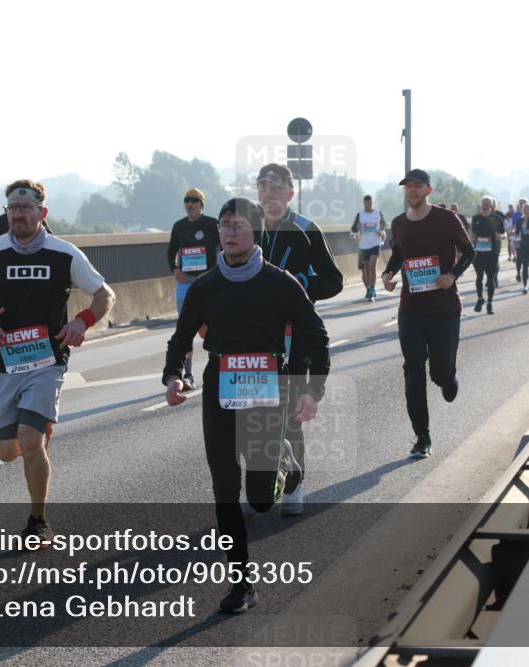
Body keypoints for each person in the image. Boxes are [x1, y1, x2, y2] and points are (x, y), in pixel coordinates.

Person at [163, 197, 329, 613]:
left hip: (267, 388)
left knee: (258, 499)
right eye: (224, 225)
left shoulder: (280, 283)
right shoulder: (206, 286)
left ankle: (284, 463)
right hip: (220, 385)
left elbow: (317, 337)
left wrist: (312, 390)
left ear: (255, 232)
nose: (230, 232)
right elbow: (180, 338)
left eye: (238, 225)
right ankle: (242, 584)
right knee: (223, 488)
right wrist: (173, 375)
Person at [0, 179, 116, 544]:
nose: (17, 214)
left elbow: (104, 294)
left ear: (41, 213)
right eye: (12, 208)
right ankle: (37, 432)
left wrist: (82, 321)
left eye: (25, 208)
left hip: (48, 360)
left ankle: (37, 521)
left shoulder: (64, 253)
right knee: (5, 452)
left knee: (30, 439)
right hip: (5, 362)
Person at [255, 163, 343, 516]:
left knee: (290, 416)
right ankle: (264, 479)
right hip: (255, 337)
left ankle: (293, 485)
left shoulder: (306, 230)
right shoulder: (247, 228)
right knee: (251, 414)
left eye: (275, 188)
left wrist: (305, 284)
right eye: (262, 187)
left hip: (296, 339)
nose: (268, 194)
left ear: (290, 193)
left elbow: (334, 280)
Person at [382, 169, 474, 459]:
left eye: (417, 186)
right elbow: (399, 253)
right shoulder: (398, 223)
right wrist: (387, 273)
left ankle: (448, 377)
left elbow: (469, 251)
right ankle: (422, 437)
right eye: (407, 187)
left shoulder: (447, 219)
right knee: (413, 370)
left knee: (439, 372)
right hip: (411, 309)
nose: (411, 191)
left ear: (428, 190)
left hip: (445, 308)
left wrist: (452, 275)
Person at [166, 188, 220, 388]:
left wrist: (216, 271)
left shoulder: (212, 224)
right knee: (185, 328)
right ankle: (187, 374)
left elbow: (223, 250)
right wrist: (174, 269)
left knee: (211, 328)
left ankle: (218, 366)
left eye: (194, 201)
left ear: (201, 204)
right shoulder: (179, 226)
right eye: (187, 200)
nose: (189, 204)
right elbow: (171, 252)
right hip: (186, 283)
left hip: (210, 283)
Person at [470, 196, 503, 314]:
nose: (484, 206)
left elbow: (503, 234)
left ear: (491, 206)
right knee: (479, 276)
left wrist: (500, 237)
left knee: (490, 278)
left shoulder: (497, 218)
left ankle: (489, 302)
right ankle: (480, 298)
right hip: (479, 252)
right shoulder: (476, 218)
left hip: (492, 253)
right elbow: (473, 233)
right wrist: (472, 239)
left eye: (487, 204)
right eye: (483, 203)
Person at [351, 195, 388, 302]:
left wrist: (381, 231)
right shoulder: (360, 215)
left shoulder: (378, 213)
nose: (368, 206)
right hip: (363, 245)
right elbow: (353, 229)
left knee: (372, 266)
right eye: (366, 204)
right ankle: (369, 288)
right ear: (364, 203)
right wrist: (356, 232)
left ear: (373, 203)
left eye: (370, 203)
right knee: (366, 269)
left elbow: (384, 224)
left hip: (375, 243)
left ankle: (371, 290)